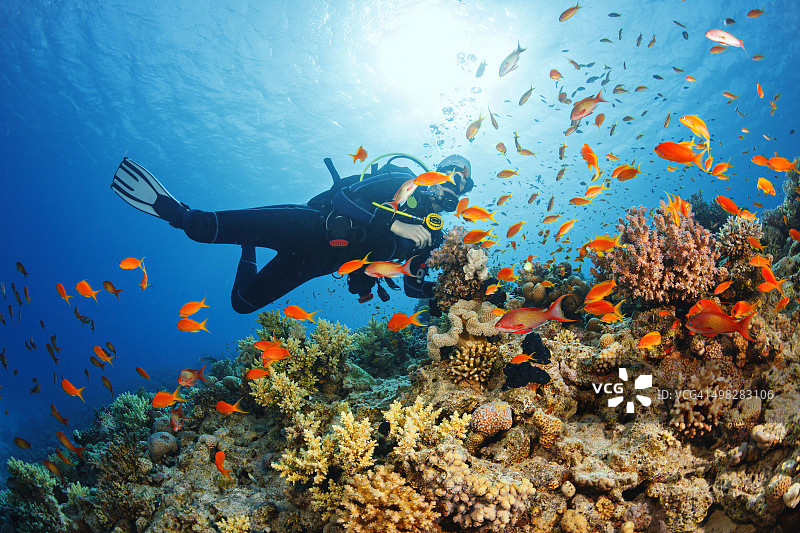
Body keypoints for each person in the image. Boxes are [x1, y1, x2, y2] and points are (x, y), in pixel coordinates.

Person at [111, 154, 474, 313]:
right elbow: (343, 198)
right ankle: (170, 208)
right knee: (201, 227)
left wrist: (443, 295)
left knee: (242, 304)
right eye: (454, 177)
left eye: (465, 186)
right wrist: (394, 222)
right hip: (309, 225)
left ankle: (248, 247)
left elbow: (412, 284)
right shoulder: (404, 182)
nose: (456, 190)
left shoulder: (435, 237)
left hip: (318, 263)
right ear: (439, 173)